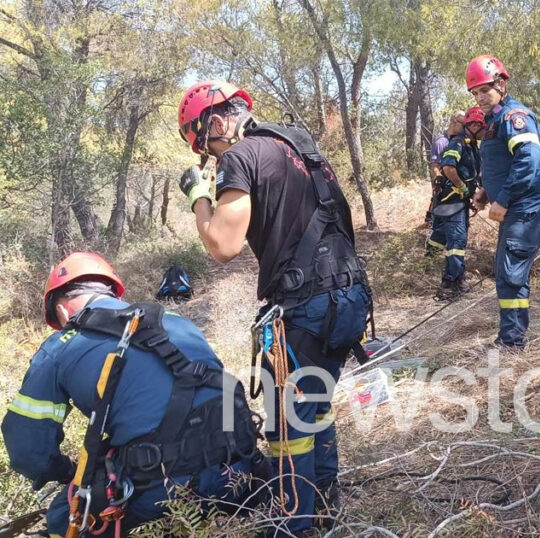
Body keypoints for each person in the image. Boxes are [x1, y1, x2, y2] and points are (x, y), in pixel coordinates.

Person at [177, 80, 370, 533]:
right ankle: (325, 506)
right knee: (314, 404)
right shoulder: (298, 146)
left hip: (306, 306)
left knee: (287, 429)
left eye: (206, 143)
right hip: (349, 297)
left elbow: (223, 244)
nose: (211, 157)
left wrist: (198, 197)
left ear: (219, 121)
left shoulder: (240, 157)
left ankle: (293, 522)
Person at [2, 252, 259, 536]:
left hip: (162, 493)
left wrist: (66, 473)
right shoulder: (176, 321)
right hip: (239, 472)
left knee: (64, 518)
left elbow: (28, 449)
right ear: (113, 292)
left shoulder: (60, 347)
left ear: (62, 311)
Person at [466, 54, 540, 350]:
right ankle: (513, 338)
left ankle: (512, 342)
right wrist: (485, 194)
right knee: (510, 273)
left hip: (530, 207)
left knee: (509, 272)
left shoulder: (514, 117)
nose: (480, 97)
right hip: (520, 207)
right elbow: (503, 164)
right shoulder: (495, 120)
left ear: (501, 84)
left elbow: (528, 161)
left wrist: (503, 200)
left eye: (484, 89)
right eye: (475, 92)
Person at [434, 106, 485, 300]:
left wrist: (474, 194)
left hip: (461, 201)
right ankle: (451, 285)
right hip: (452, 201)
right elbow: (447, 167)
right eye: (480, 127)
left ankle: (454, 280)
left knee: (458, 241)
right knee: (456, 242)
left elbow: (475, 173)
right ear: (472, 125)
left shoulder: (472, 146)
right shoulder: (457, 143)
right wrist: (461, 186)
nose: (482, 132)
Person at [426, 113, 465, 255]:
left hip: (458, 192)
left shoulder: (462, 141)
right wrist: (440, 179)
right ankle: (431, 258)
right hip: (444, 192)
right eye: (463, 124)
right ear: (454, 121)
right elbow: (435, 166)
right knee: (440, 226)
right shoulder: (441, 142)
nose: (465, 127)